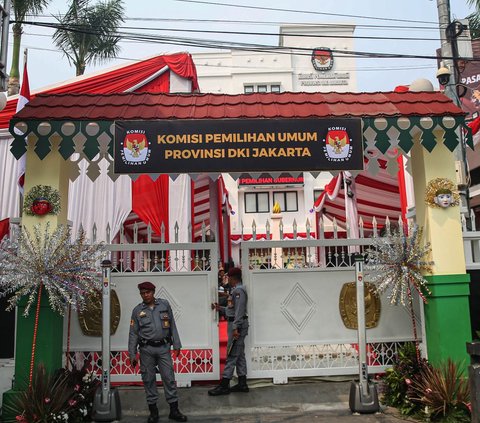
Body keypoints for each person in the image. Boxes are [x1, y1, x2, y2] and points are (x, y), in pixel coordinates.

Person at [128, 281, 187, 423]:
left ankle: (174, 410)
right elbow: (133, 334)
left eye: (147, 292)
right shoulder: (137, 311)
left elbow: (172, 324)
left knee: (169, 378)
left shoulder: (164, 305)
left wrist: (177, 344)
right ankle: (153, 412)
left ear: (153, 292)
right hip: (146, 349)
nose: (145, 295)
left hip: (163, 348)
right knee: (148, 379)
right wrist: (132, 353)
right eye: (142, 293)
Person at [208, 267, 249, 396]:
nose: (227, 280)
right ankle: (242, 383)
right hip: (236, 324)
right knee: (240, 355)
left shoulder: (239, 291)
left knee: (231, 354)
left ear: (232, 278)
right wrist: (220, 308)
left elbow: (239, 311)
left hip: (237, 326)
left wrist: (236, 327)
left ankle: (224, 385)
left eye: (228, 278)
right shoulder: (236, 290)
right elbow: (232, 310)